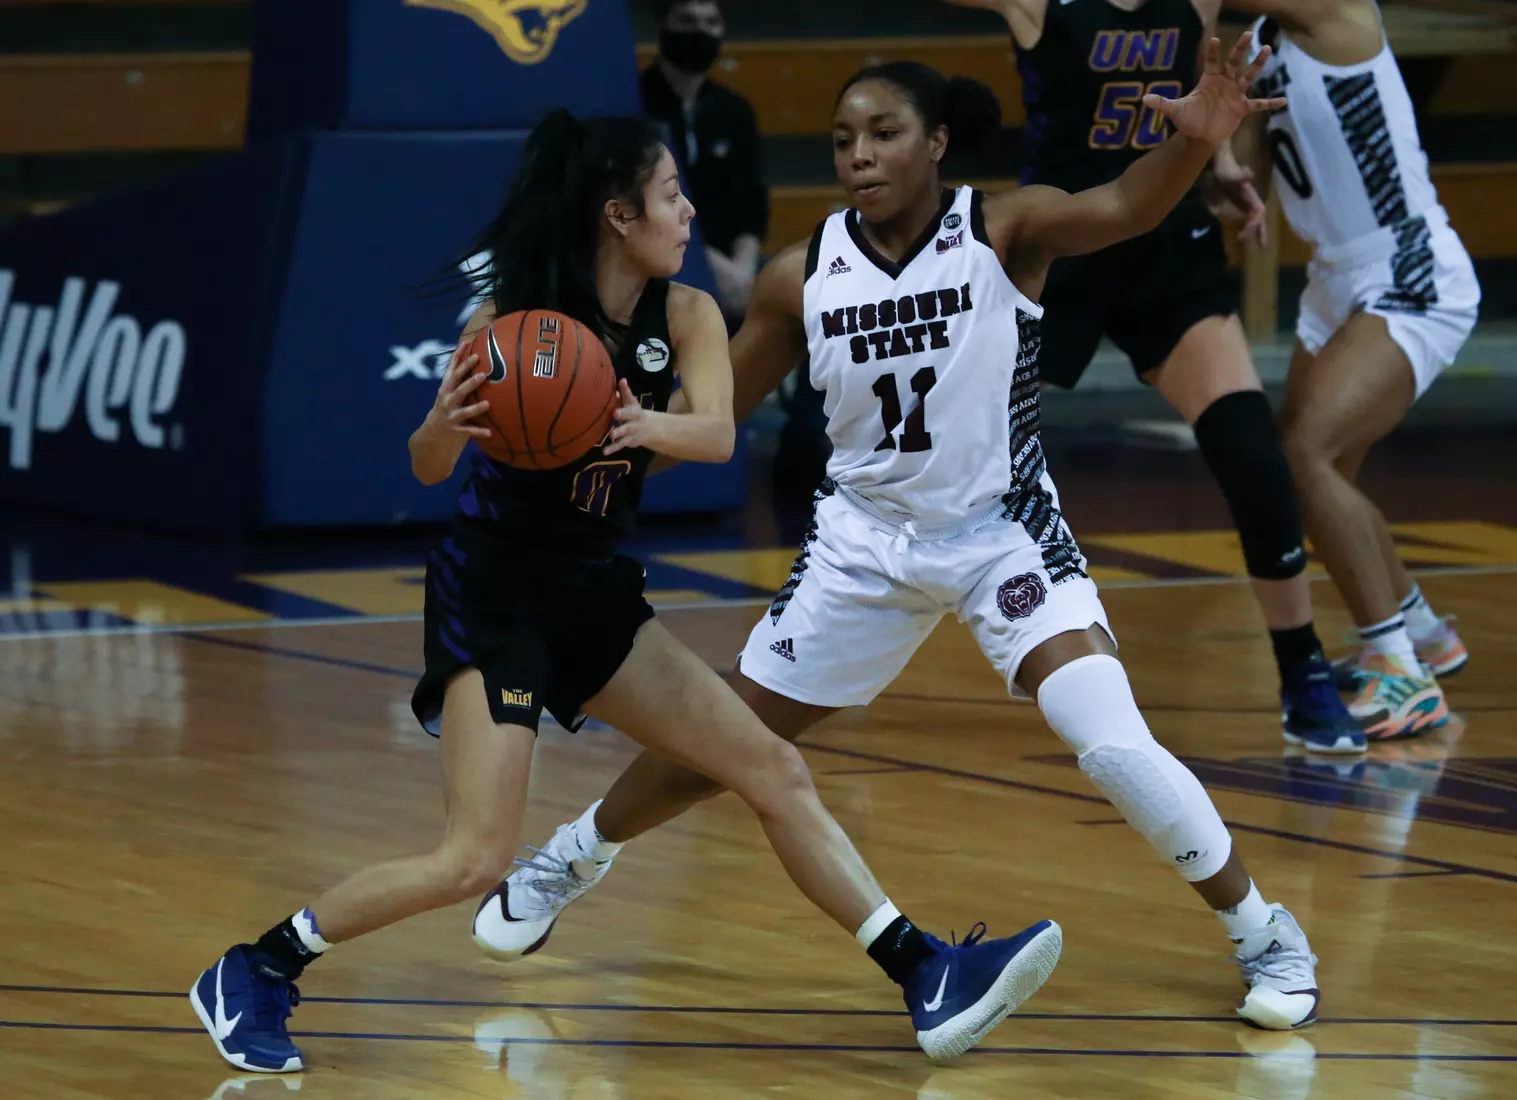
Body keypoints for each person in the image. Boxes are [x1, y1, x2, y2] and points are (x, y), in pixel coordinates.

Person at [188, 110, 1064, 1073]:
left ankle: (924, 972)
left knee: (773, 769)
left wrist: (640, 425)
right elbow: (428, 466)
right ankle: (257, 965)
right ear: (618, 214)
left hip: (595, 596)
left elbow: (717, 434)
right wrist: (442, 423)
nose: (686, 213)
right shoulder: (510, 325)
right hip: (496, 601)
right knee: (473, 859)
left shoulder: (684, 313)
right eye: (670, 196)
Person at [474, 43, 1324, 1033]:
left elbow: (1127, 205)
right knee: (727, 739)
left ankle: (1263, 931)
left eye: (883, 133)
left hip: (1001, 531)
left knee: (1108, 740)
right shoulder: (799, 278)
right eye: (843, 140)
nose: (859, 156)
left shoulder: (1004, 228)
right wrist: (576, 461)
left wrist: (1193, 143)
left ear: (937, 143)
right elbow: (707, 421)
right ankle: (571, 857)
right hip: (862, 546)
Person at [945, 0, 1363, 756]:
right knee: (957, 457)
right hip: (1061, 245)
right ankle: (845, 617)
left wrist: (1221, 162)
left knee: (1251, 452)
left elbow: (1202, 87)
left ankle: (1302, 670)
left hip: (1166, 241)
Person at [1220, 0, 1475, 741]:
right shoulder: (1261, 40)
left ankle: (1400, 672)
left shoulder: (1338, 10)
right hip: (1334, 276)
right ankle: (1422, 633)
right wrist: (1225, 160)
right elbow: (1248, 166)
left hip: (1406, 265)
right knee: (1303, 469)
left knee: (1306, 454)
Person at [641, 0, 768, 322]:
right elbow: (641, 203)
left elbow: (753, 204)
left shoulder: (735, 111)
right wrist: (711, 265)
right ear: (662, 27)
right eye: (687, 20)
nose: (700, 32)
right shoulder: (635, 107)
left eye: (711, 22)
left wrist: (742, 271)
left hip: (733, 276)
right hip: (656, 269)